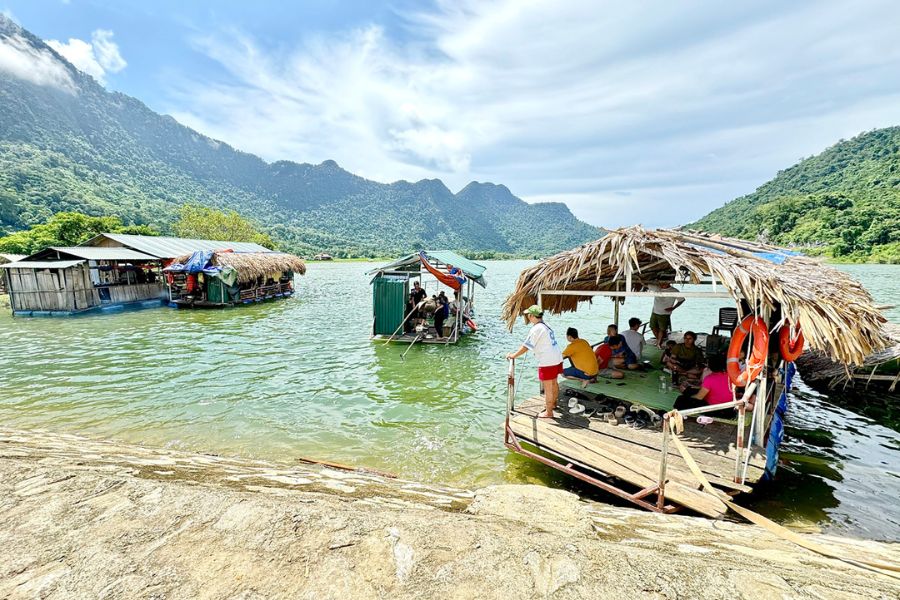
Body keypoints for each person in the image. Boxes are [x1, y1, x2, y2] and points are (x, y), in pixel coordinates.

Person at [506, 305, 563, 419]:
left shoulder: (536, 328)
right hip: (557, 357)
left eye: (528, 315)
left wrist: (513, 355)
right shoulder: (546, 326)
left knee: (548, 387)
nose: (527, 317)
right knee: (554, 383)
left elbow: (526, 346)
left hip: (547, 360)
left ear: (532, 316)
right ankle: (554, 404)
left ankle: (549, 412)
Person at [645, 280, 685, 348]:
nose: (662, 284)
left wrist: (673, 308)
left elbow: (682, 300)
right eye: (661, 282)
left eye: (664, 283)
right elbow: (645, 284)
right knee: (652, 326)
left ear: (669, 282)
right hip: (655, 312)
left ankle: (659, 343)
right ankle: (659, 340)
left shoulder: (674, 291)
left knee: (662, 329)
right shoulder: (657, 288)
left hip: (665, 313)